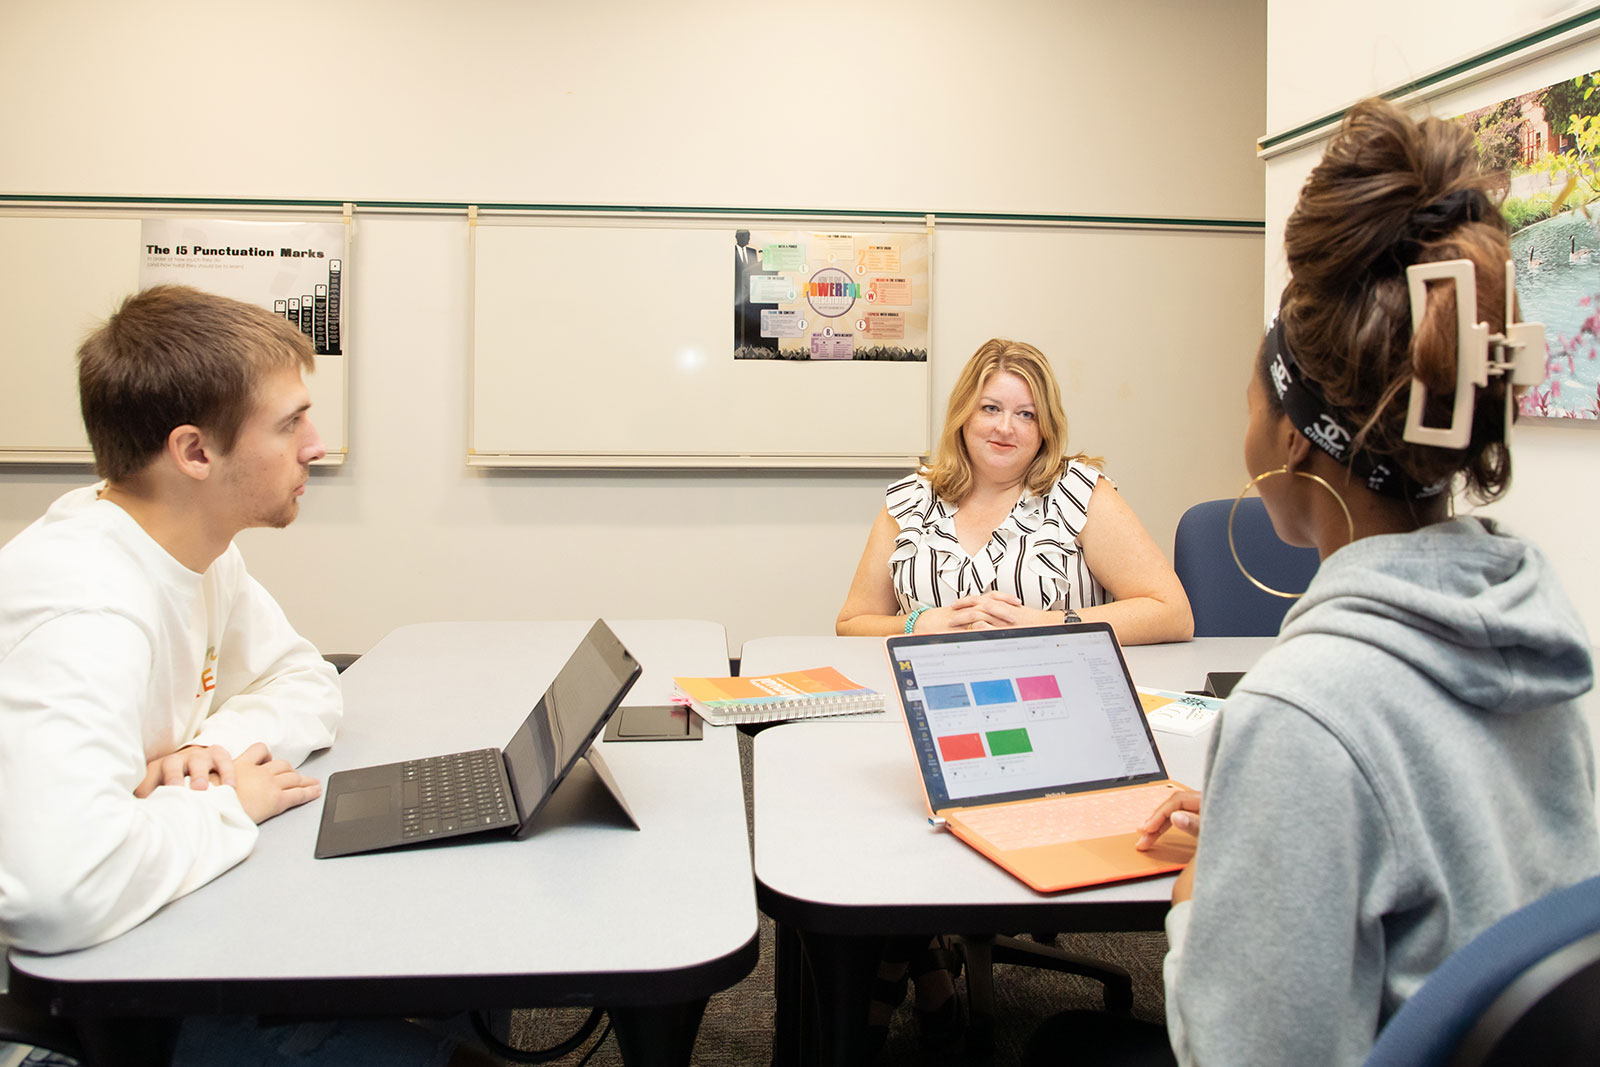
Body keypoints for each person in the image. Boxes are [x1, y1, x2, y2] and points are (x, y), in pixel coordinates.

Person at [1032, 99, 1600, 1067]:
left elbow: (1236, 1048)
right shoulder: (1534, 640)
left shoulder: (1302, 709)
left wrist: (1204, 891)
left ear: (1290, 433)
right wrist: (1270, 834)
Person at [0, 286, 481, 1066]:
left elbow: (306, 682)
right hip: (75, 1012)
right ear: (195, 452)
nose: (315, 446)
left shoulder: (198, 549)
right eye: (290, 422)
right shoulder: (83, 606)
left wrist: (214, 749)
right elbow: (60, 892)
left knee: (454, 988)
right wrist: (229, 800)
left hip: (147, 936)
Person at [837, 337, 1193, 645]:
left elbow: (1172, 614)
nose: (1005, 428)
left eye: (1026, 415)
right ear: (964, 415)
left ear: (1045, 428)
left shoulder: (1078, 492)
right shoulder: (910, 500)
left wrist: (1044, 625)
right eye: (990, 409)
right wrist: (917, 624)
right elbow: (852, 624)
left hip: (1056, 692)